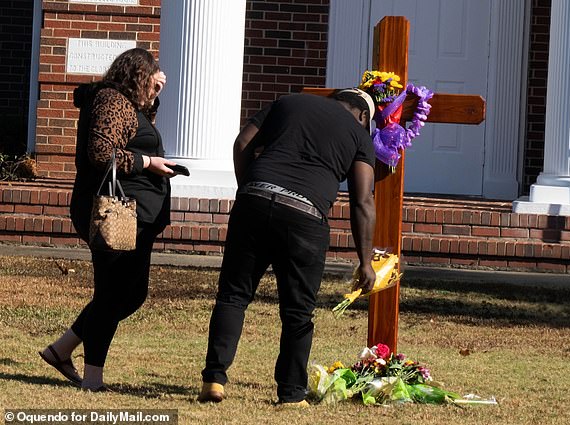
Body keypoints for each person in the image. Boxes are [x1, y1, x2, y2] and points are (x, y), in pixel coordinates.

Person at [197, 89, 378, 406]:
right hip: (305, 216)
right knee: (298, 312)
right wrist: (366, 261)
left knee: (233, 295)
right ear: (364, 117)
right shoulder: (360, 135)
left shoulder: (289, 102)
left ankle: (214, 379)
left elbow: (242, 144)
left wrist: (248, 190)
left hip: (255, 197)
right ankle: (291, 393)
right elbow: (363, 200)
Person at [38, 48, 178, 391]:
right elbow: (102, 153)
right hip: (113, 210)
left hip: (134, 213)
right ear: (136, 76)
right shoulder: (111, 100)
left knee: (132, 294)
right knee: (113, 292)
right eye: (151, 81)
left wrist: (153, 99)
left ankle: (62, 349)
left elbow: (135, 131)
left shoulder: (125, 104)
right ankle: (93, 379)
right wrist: (149, 164)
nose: (154, 89)